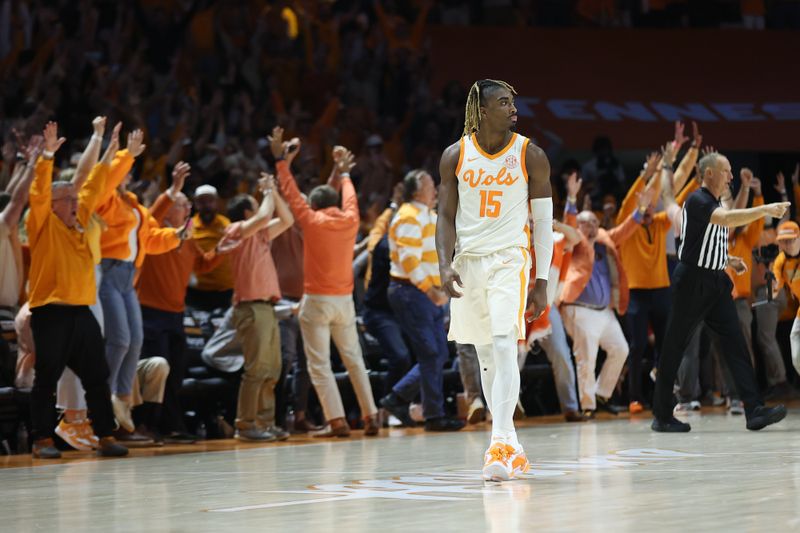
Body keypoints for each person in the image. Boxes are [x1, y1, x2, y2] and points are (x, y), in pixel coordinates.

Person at [437, 79, 552, 482]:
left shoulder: (530, 154)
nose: (513, 108)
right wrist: (443, 263)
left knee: (505, 341)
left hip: (510, 259)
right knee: (486, 353)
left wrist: (542, 281)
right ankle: (512, 446)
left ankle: (498, 440)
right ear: (483, 110)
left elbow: (543, 225)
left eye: (513, 101)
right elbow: (445, 217)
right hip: (469, 261)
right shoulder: (455, 155)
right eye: (503, 102)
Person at [651, 152, 789, 432]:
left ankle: (754, 410)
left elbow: (700, 241)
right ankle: (662, 416)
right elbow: (726, 220)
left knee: (736, 345)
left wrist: (725, 260)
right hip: (692, 284)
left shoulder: (710, 203)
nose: (730, 176)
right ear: (710, 173)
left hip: (715, 282)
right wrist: (764, 209)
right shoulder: (699, 199)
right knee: (675, 347)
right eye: (726, 171)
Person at [26, 121, 127, 458]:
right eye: (66, 198)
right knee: (47, 377)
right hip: (50, 312)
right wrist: (47, 156)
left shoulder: (80, 217)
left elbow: (94, 185)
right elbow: (38, 192)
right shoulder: (41, 223)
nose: (73, 202)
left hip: (81, 312)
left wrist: (112, 153)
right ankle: (41, 439)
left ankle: (105, 435)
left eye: (73, 198)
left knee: (97, 376)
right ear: (52, 204)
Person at [272, 128, 379, 438]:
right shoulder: (350, 220)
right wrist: (345, 174)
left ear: (314, 206)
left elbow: (291, 193)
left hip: (316, 301)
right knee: (354, 360)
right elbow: (350, 200)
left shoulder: (311, 220)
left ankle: (337, 421)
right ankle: (371, 415)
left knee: (319, 365)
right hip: (344, 302)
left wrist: (282, 162)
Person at [136, 162, 228, 443]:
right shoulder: (150, 233)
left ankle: (170, 426)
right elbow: (152, 213)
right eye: (183, 204)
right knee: (156, 373)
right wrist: (172, 189)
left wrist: (222, 250)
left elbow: (201, 265)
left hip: (176, 313)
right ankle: (149, 425)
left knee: (176, 375)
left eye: (189, 205)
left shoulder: (187, 237)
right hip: (150, 313)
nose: (189, 210)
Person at [383, 170, 465, 432]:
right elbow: (409, 259)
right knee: (431, 353)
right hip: (410, 291)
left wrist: (440, 289)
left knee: (438, 353)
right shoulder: (408, 216)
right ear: (417, 190)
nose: (436, 188)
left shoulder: (427, 215)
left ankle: (398, 399)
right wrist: (428, 289)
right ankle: (432, 415)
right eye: (431, 184)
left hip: (427, 293)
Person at [224, 172, 295, 441]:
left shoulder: (262, 235)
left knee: (272, 369)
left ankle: (265, 423)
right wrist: (266, 192)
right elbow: (264, 216)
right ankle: (245, 425)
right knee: (255, 369)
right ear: (246, 213)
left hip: (266, 307)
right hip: (250, 307)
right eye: (254, 208)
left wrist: (273, 192)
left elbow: (287, 219)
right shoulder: (235, 231)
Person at [187, 184, 235, 311]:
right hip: (196, 290)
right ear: (195, 204)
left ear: (217, 202)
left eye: (210, 201)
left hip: (224, 289)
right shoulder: (188, 226)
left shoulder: (226, 225)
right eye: (202, 201)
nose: (206, 205)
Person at [772, 220, 800, 378]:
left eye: (790, 240)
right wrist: (772, 288)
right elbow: (776, 287)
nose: (787, 244)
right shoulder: (780, 262)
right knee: (796, 350)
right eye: (783, 241)